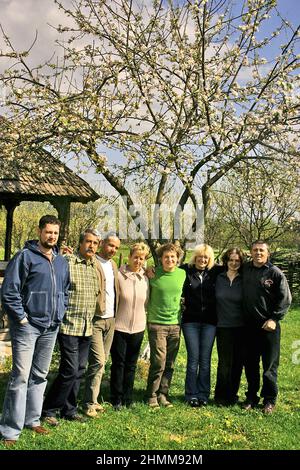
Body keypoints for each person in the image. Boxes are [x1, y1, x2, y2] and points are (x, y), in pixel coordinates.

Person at [0, 215, 69, 446]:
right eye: (48, 232)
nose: (52, 236)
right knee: (20, 377)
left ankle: (33, 419)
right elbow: (10, 291)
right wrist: (20, 318)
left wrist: (61, 312)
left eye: (55, 233)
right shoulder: (25, 256)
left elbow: (65, 290)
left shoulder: (61, 261)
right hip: (28, 327)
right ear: (39, 231)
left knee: (39, 376)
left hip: (51, 326)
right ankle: (10, 430)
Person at [42, 229, 101, 425]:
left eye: (95, 243)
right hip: (69, 325)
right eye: (88, 242)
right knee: (69, 370)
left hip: (86, 327)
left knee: (80, 370)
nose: (91, 246)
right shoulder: (67, 262)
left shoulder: (94, 266)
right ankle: (49, 409)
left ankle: (69, 409)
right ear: (80, 243)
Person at [242, 240, 292, 414]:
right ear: (250, 252)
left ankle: (269, 400)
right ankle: (251, 397)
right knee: (251, 364)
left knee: (269, 366)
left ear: (267, 253)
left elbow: (286, 299)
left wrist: (274, 318)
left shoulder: (275, 273)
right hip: (249, 327)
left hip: (269, 326)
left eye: (261, 250)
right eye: (255, 250)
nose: (258, 253)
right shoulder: (245, 269)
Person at [84, 233, 120, 417]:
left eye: (116, 247)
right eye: (110, 245)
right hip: (96, 319)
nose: (113, 250)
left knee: (102, 362)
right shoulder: (92, 261)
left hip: (111, 319)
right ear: (102, 243)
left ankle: (94, 399)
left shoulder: (113, 265)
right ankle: (89, 402)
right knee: (97, 361)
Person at [181, 244, 222, 407]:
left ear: (210, 259)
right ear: (195, 257)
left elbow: (237, 267)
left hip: (210, 322)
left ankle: (203, 394)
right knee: (193, 359)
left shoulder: (216, 272)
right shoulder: (185, 270)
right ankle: (191, 394)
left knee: (205, 360)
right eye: (200, 256)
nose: (202, 260)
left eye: (206, 257)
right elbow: (167, 269)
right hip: (190, 321)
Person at [110, 242, 150, 410]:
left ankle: (128, 397)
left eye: (141, 259)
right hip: (120, 327)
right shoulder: (119, 275)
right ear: (129, 257)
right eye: (135, 257)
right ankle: (116, 398)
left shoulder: (146, 278)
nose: (138, 261)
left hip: (138, 328)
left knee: (131, 364)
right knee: (119, 363)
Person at [146, 243, 186, 408]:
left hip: (175, 325)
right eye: (166, 257)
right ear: (161, 259)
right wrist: (148, 269)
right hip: (157, 324)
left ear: (177, 259)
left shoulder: (182, 274)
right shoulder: (153, 274)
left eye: (173, 257)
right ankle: (151, 395)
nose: (170, 259)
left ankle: (163, 394)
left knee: (169, 363)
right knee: (158, 361)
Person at [214, 247, 245, 406]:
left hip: (241, 327)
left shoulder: (245, 278)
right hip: (223, 326)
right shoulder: (217, 276)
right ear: (226, 261)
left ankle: (232, 395)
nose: (234, 263)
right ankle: (220, 396)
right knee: (225, 363)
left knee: (238, 362)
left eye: (237, 261)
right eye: (231, 260)